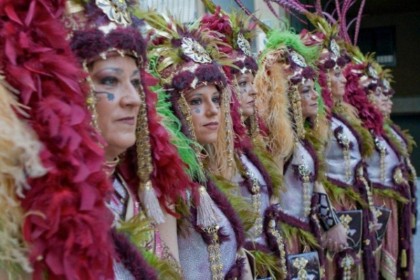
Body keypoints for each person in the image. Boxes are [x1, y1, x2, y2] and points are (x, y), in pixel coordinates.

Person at [144, 10, 253, 280]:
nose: (212, 111)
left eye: (216, 99)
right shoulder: (167, 186)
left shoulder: (203, 174)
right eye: (195, 101)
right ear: (171, 108)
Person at [199, 6, 285, 279]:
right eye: (242, 84)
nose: (251, 92)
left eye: (252, 83)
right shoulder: (213, 152)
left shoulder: (248, 146)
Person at [255, 29, 348, 279]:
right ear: (291, 96)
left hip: (304, 236)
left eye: (313, 89)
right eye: (307, 90)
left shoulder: (301, 140)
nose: (315, 95)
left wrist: (332, 222)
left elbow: (315, 186)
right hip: (286, 242)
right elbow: (270, 204)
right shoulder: (279, 144)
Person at [300, 27, 380, 279]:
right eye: (336, 74)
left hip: (352, 204)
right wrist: (329, 220)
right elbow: (316, 174)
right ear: (322, 78)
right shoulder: (319, 121)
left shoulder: (342, 114)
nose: (344, 79)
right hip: (335, 206)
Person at [344, 52, 413, 280]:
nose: (387, 99)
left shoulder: (388, 130)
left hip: (392, 202)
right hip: (374, 201)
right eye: (378, 93)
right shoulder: (359, 131)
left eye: (387, 94)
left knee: (393, 252)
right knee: (371, 258)